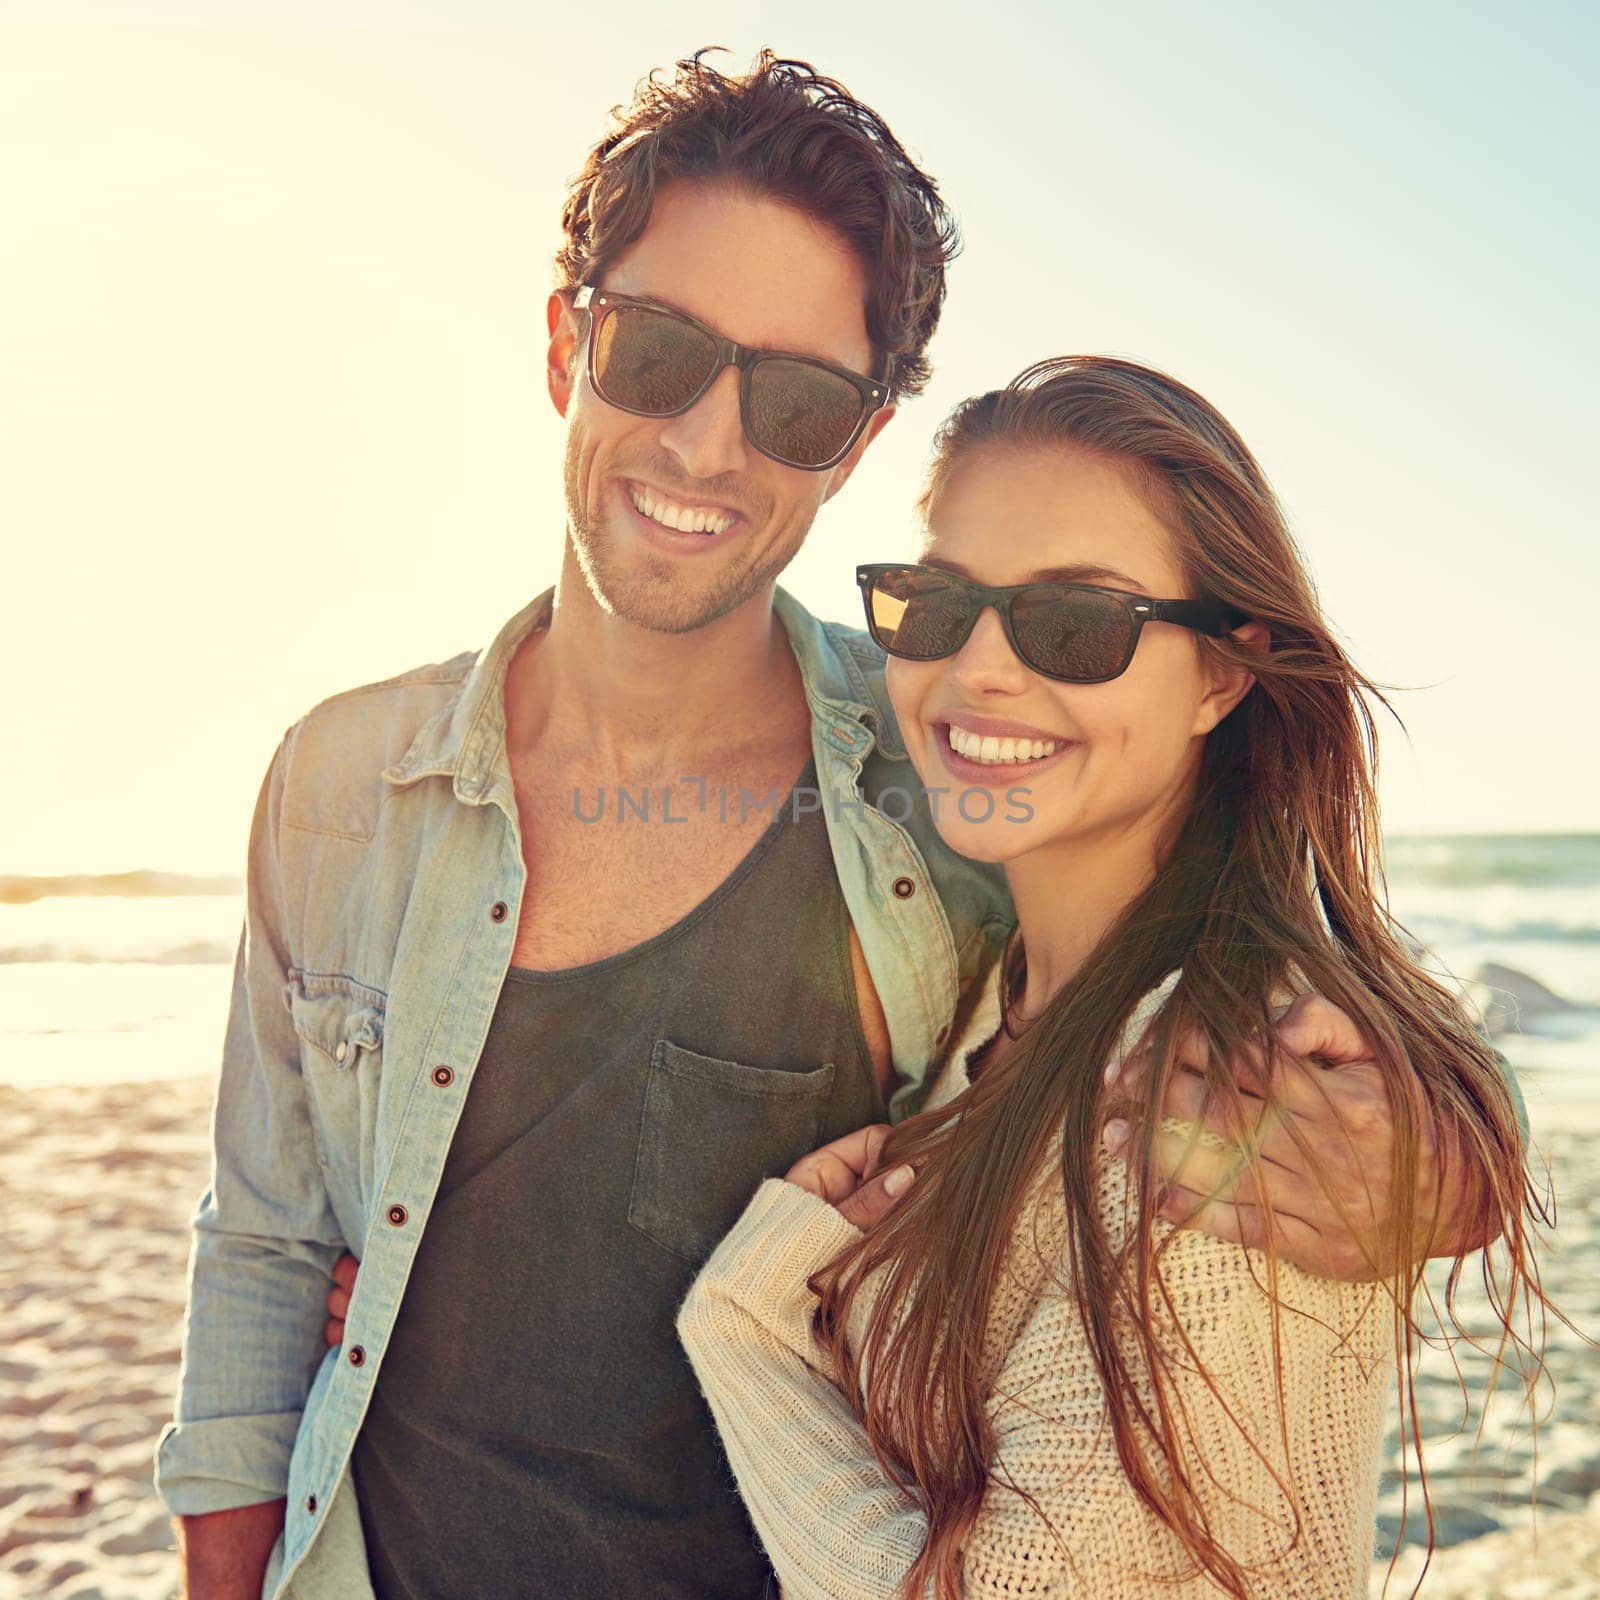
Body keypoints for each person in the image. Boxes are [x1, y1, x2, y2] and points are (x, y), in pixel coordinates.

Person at [156, 51, 1523, 1600]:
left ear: (858, 442)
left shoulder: (952, 773)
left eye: (797, 399)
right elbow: (264, 1253)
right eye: (658, 352)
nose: (707, 446)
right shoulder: (340, 788)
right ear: (565, 346)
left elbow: (1260, 950)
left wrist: (1441, 1145)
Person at [676, 356, 1541, 1600]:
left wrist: (745, 1323)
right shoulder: (1001, 994)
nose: (977, 668)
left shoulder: (1227, 1093)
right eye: (935, 602)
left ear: (1225, 674)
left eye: (1075, 623)